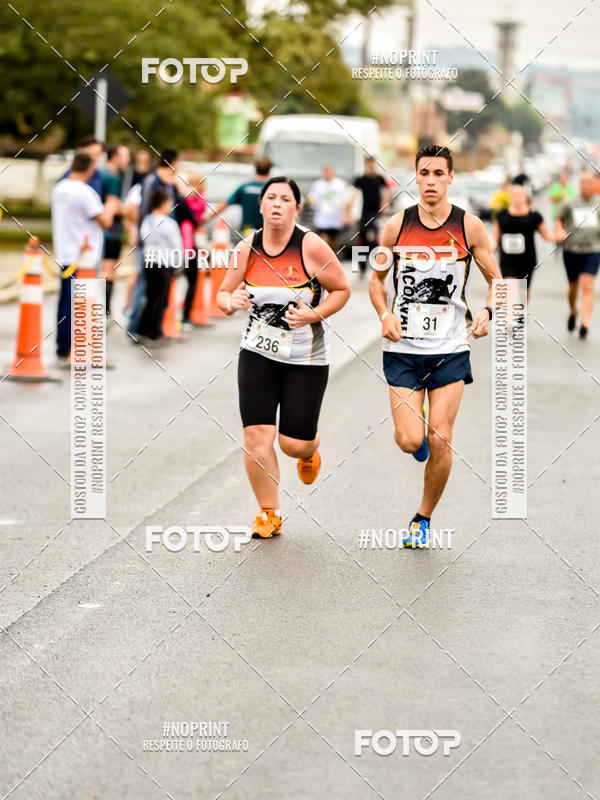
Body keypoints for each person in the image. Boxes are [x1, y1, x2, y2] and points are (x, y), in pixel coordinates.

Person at [369, 144, 502, 548]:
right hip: (404, 349)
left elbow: (498, 283)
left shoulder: (469, 228)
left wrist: (487, 312)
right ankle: (420, 433)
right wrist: (384, 314)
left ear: (450, 178)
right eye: (424, 173)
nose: (430, 181)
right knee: (410, 440)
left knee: (442, 439)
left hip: (450, 348)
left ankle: (422, 518)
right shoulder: (396, 227)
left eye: (438, 174)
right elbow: (376, 280)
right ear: (416, 177)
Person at [216, 177, 351, 539]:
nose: (277, 204)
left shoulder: (311, 246)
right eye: (271, 198)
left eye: (285, 199)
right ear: (261, 206)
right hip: (257, 353)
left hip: (305, 358)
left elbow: (341, 290)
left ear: (296, 208)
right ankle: (268, 513)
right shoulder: (246, 248)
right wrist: (230, 303)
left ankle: (310, 450)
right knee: (256, 436)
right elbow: (223, 294)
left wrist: (313, 314)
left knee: (293, 444)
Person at [51, 151, 116, 360]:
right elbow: (105, 221)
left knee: (65, 301)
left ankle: (62, 346)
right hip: (84, 258)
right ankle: (76, 347)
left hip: (65, 253)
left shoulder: (59, 188)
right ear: (89, 169)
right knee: (80, 303)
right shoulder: (84, 192)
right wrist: (111, 205)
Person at [128, 149, 180, 338]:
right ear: (172, 163)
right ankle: (137, 328)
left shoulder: (168, 184)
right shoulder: (152, 182)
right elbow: (141, 211)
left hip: (161, 248)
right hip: (151, 247)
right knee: (146, 290)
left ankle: (149, 329)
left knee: (155, 293)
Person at [491, 182, 557, 302]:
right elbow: (495, 238)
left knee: (523, 293)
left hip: (527, 261)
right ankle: (511, 314)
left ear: (526, 197)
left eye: (520, 195)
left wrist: (558, 237)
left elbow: (546, 234)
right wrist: (489, 249)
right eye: (514, 195)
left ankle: (520, 312)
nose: (517, 198)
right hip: (507, 260)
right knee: (510, 289)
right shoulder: (501, 215)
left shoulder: (534, 216)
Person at [555, 170, 600, 338]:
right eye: (583, 183)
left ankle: (585, 322)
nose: (586, 186)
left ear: (594, 184)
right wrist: (559, 230)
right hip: (572, 250)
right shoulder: (570, 202)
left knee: (587, 286)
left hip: (593, 249)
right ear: (579, 184)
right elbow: (559, 219)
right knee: (573, 287)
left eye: (589, 182)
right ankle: (573, 310)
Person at [138, 188, 183, 342]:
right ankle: (155, 332)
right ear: (163, 203)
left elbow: (143, 239)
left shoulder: (147, 221)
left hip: (149, 261)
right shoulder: (169, 223)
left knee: (150, 297)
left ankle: (142, 330)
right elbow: (177, 246)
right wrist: (179, 263)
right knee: (161, 299)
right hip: (164, 264)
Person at [100, 144, 130, 319]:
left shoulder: (100, 173)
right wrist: (127, 211)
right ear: (115, 157)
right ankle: (105, 312)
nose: (128, 160)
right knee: (109, 270)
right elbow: (113, 204)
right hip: (111, 231)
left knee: (103, 268)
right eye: (125, 156)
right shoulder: (112, 176)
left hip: (103, 230)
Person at [206, 157, 272, 238]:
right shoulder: (271, 189)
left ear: (255, 169)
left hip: (247, 230)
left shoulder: (245, 187)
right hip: (267, 231)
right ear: (269, 170)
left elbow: (224, 204)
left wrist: (206, 219)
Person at [352, 156, 391, 278]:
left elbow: (387, 192)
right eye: (368, 163)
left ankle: (378, 265)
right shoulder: (361, 179)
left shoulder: (379, 178)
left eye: (372, 163)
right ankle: (362, 268)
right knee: (362, 240)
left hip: (376, 213)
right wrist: (348, 210)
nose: (371, 166)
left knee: (373, 238)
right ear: (366, 164)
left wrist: (385, 205)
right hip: (364, 213)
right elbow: (353, 194)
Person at [180, 173, 207, 328]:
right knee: (190, 280)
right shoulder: (189, 199)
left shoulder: (193, 199)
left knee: (191, 280)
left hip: (190, 242)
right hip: (187, 243)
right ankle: (185, 316)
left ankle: (186, 314)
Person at [308, 165, 353, 249]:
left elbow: (347, 201)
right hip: (322, 219)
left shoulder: (339, 184)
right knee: (323, 239)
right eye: (326, 171)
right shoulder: (318, 185)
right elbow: (311, 198)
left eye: (330, 171)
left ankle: (332, 255)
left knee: (333, 241)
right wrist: (311, 202)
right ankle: (323, 255)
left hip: (336, 220)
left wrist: (347, 215)